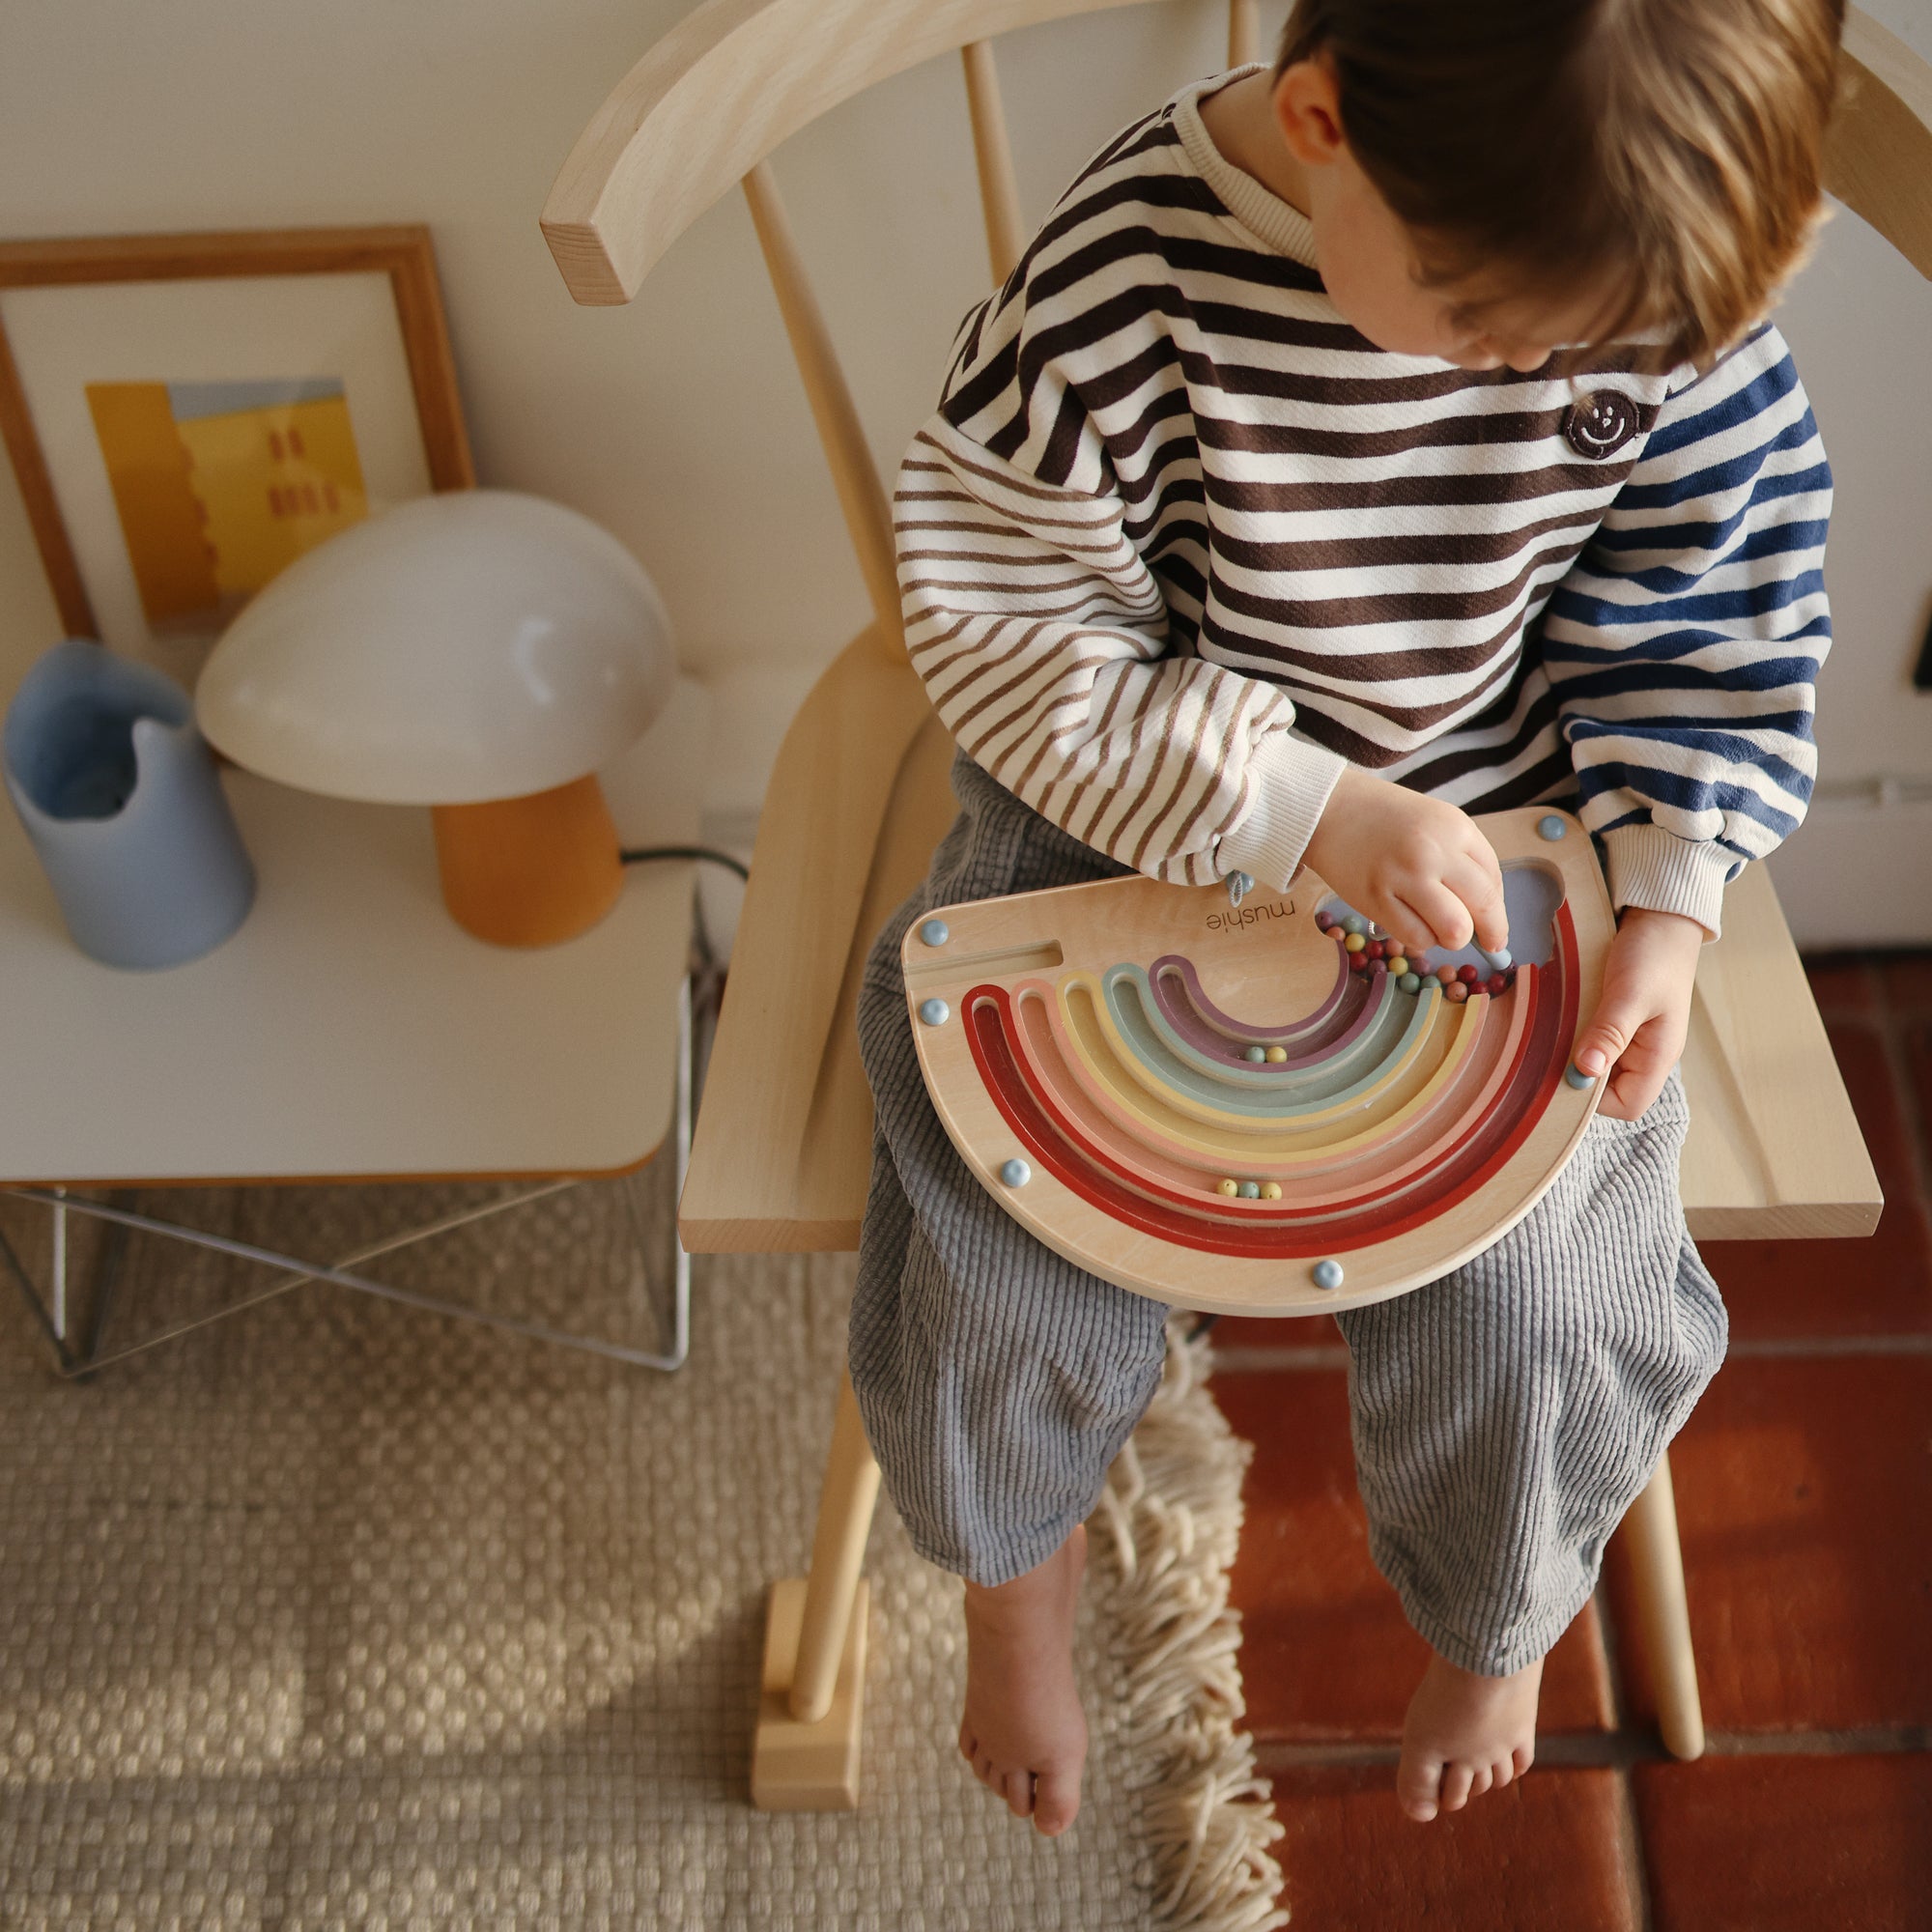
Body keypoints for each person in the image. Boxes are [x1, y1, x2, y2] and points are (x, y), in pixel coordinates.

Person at [851, 0, 1842, 1835]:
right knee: (993, 1255)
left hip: (1502, 796)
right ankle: (1018, 1577)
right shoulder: (1125, 283)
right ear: (1318, 125)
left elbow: (1719, 606)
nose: (1529, 374)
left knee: (1543, 1291)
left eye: (1584, 354)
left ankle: (1500, 1610)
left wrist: (1670, 896)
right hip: (1146, 788)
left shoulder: (1642, 255)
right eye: (1486, 331)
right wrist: (1294, 808)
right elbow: (1003, 631)